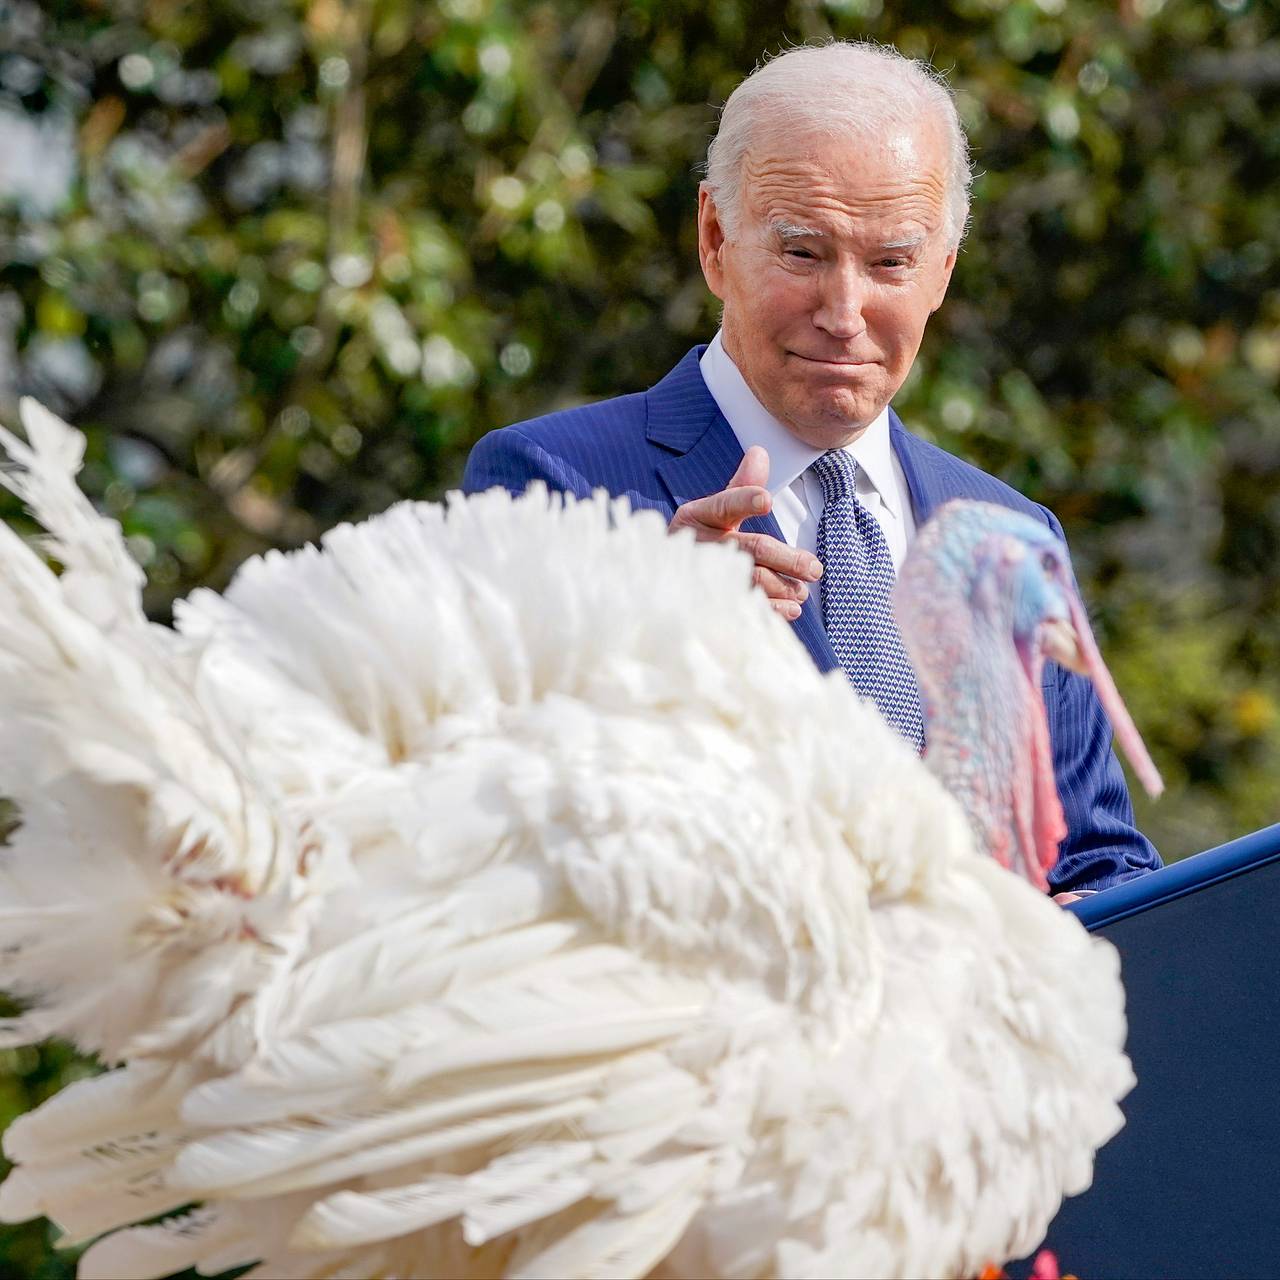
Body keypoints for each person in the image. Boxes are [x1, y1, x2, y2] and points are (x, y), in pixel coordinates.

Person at [463, 40, 1160, 896]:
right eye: (803, 252)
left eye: (891, 262)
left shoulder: (1011, 537)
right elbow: (480, 828)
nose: (844, 311)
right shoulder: (553, 487)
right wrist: (648, 641)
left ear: (942, 271)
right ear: (716, 238)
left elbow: (1101, 866)